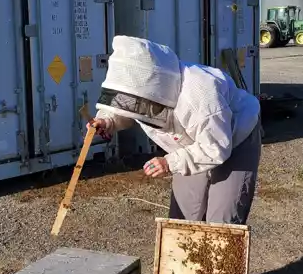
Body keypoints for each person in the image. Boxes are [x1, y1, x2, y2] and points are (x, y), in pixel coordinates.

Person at [91, 36, 262, 225]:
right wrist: (108, 120)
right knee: (183, 215)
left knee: (222, 220)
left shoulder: (201, 96)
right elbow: (130, 106)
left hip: (233, 136)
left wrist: (169, 162)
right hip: (187, 141)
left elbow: (216, 148)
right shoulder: (143, 89)